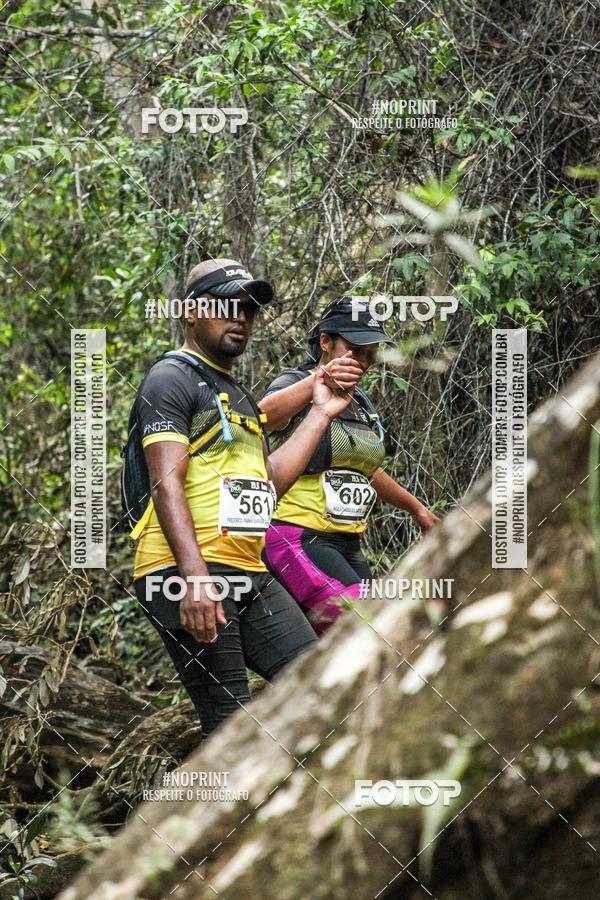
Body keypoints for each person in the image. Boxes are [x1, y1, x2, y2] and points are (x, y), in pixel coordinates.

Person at [131, 260, 358, 736]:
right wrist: (194, 580)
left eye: (250, 309)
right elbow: (165, 482)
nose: (241, 317)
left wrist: (320, 413)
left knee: (321, 690)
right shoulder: (170, 379)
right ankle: (217, 810)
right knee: (229, 723)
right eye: (227, 305)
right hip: (182, 572)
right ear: (191, 312)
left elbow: (266, 484)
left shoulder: (235, 395)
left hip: (250, 574)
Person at [259, 296, 439, 635]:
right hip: (296, 536)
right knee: (362, 632)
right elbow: (259, 417)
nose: (364, 361)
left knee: (376, 632)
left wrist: (417, 509)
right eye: (354, 350)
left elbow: (367, 471)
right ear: (325, 342)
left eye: (370, 353)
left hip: (347, 543)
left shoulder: (361, 403)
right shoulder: (297, 383)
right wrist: (318, 381)